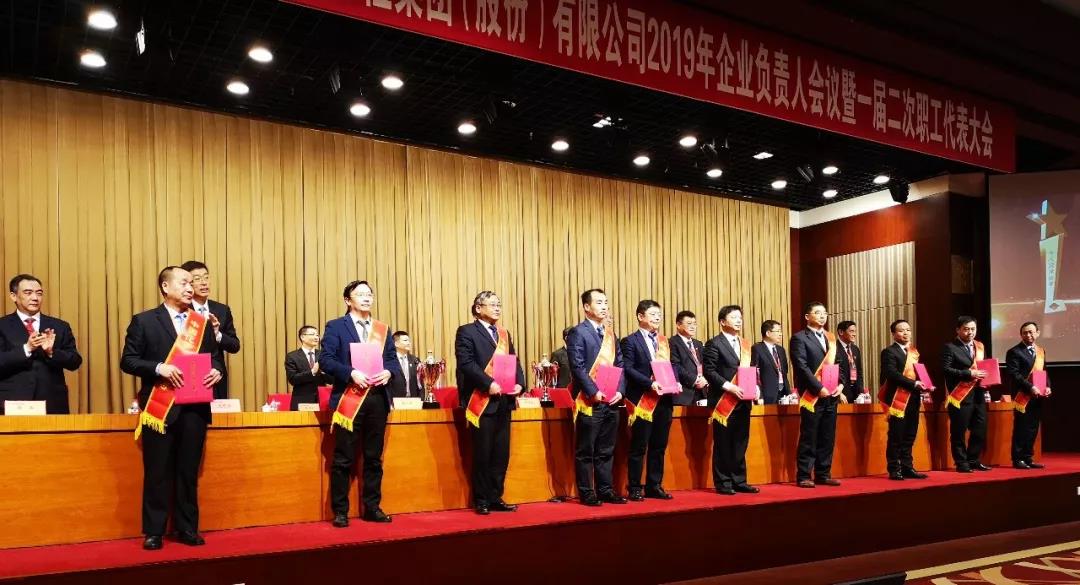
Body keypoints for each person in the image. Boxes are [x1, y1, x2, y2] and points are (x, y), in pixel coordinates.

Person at [120, 266, 225, 550]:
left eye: (192, 283)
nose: (191, 288)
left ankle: (187, 528)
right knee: (157, 471)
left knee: (188, 471)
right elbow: (128, 360)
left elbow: (215, 358)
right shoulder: (144, 321)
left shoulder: (200, 324)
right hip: (160, 407)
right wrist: (159, 367)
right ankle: (154, 531)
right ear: (165, 287)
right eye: (184, 282)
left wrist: (217, 370)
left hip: (194, 407)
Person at [320, 280, 400, 526]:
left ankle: (372, 507)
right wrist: (350, 373)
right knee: (343, 458)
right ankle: (340, 511)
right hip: (350, 398)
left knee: (374, 458)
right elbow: (326, 360)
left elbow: (392, 360)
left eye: (369, 294)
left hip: (377, 399)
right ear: (348, 300)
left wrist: (389, 372)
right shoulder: (336, 326)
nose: (367, 298)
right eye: (361, 294)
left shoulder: (382, 329)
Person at [456, 291, 526, 515]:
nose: (497, 308)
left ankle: (496, 496)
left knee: (501, 454)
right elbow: (467, 363)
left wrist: (520, 384)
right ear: (478, 308)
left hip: (504, 401)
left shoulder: (504, 334)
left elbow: (515, 362)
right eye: (492, 304)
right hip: (482, 401)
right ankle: (482, 499)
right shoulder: (467, 331)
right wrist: (488, 383)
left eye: (499, 304)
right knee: (483, 453)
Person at [566, 288, 626, 506]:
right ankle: (587, 492)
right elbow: (577, 366)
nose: (604, 306)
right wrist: (593, 391)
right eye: (599, 302)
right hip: (589, 400)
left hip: (612, 400)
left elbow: (620, 364)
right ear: (586, 307)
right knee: (586, 450)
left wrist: (620, 391)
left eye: (606, 302)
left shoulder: (610, 334)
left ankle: (605, 489)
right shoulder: (578, 332)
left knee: (606, 449)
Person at [0, 274, 82, 414]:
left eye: (39, 293)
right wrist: (27, 349)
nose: (35, 298)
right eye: (28, 293)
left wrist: (51, 352)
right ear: (13, 296)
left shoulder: (60, 326)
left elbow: (75, 361)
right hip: (12, 402)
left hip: (52, 403)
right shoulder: (2, 326)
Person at [621, 300, 675, 501]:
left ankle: (654, 485)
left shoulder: (664, 342)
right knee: (639, 446)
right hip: (643, 401)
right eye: (653, 314)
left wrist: (676, 381)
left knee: (659, 446)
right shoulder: (630, 341)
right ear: (640, 316)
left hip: (664, 400)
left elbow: (672, 366)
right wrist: (649, 383)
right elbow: (628, 368)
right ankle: (635, 487)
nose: (657, 318)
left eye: (659, 314)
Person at [702, 305, 759, 496]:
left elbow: (751, 369)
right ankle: (723, 482)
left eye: (740, 317)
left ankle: (739, 480)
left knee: (741, 442)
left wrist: (755, 387)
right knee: (723, 443)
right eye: (734, 317)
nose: (738, 320)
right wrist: (729, 386)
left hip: (743, 401)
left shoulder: (745, 345)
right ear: (722, 322)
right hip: (723, 401)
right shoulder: (714, 343)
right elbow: (709, 371)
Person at [790, 302, 845, 488]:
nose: (822, 316)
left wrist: (841, 384)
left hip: (832, 395)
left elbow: (839, 364)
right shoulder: (799, 338)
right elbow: (801, 366)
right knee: (810, 436)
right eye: (817, 312)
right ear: (807, 317)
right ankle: (804, 475)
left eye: (824, 313)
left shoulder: (831, 338)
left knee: (827, 436)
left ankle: (823, 473)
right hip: (812, 395)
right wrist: (818, 387)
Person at [180, 261, 240, 399]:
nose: (203, 283)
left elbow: (235, 346)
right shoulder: (181, 310)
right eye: (197, 279)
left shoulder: (222, 310)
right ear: (187, 284)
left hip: (216, 376)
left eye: (206, 277)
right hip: (188, 376)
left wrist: (217, 334)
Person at [879, 319, 928, 481]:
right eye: (901, 330)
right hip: (897, 400)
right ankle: (894, 469)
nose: (905, 333)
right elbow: (891, 373)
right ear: (894, 334)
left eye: (908, 330)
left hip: (913, 399)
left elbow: (919, 374)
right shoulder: (889, 352)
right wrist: (914, 383)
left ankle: (907, 467)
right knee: (896, 435)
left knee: (910, 435)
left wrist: (926, 384)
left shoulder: (914, 352)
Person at [941, 316, 990, 473]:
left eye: (973, 329)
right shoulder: (950, 347)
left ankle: (973, 460)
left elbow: (983, 367)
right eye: (966, 329)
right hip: (960, 395)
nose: (970, 332)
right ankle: (961, 462)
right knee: (959, 431)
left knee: (979, 429)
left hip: (978, 395)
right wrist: (969, 373)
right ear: (958, 330)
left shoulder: (979, 346)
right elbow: (946, 370)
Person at [1006, 321, 1051, 469]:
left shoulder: (1041, 351)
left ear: (1037, 333)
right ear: (1021, 335)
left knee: (1033, 428)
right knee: (1021, 427)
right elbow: (1014, 374)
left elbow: (1044, 371)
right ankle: (1018, 459)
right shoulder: (1014, 352)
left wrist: (1047, 387)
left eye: (1031, 332)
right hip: (1022, 396)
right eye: (1025, 332)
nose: (1028, 335)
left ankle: (1028, 457)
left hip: (1037, 396)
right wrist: (1030, 387)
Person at [284, 325, 332, 410]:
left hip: (322, 400)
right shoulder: (292, 356)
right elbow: (293, 379)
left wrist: (324, 372)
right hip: (302, 400)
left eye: (317, 335)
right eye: (312, 334)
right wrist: (312, 372)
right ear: (302, 337)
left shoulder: (323, 355)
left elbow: (332, 380)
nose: (316, 337)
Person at [669, 310, 707, 407]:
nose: (693, 326)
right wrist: (695, 380)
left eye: (694, 324)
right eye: (689, 323)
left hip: (702, 392)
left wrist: (705, 379)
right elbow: (675, 365)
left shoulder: (698, 343)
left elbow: (706, 364)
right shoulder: (672, 342)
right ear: (678, 325)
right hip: (684, 393)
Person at [751, 320, 790, 405]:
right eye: (778, 331)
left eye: (781, 331)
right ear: (768, 333)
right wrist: (760, 395)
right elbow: (755, 374)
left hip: (783, 393)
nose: (780, 334)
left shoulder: (781, 350)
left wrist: (789, 393)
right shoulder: (757, 349)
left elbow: (784, 372)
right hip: (767, 394)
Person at [836, 321, 865, 403]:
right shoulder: (833, 348)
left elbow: (859, 372)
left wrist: (861, 392)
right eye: (851, 331)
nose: (854, 334)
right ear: (841, 332)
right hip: (841, 392)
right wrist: (838, 393)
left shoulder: (855, 349)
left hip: (855, 392)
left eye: (855, 331)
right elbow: (831, 374)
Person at [389, 331, 421, 399]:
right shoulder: (390, 361)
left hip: (413, 400)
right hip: (395, 400)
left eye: (409, 341)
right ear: (396, 344)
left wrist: (421, 399)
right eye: (405, 340)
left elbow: (420, 383)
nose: (409, 343)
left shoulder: (415, 360)